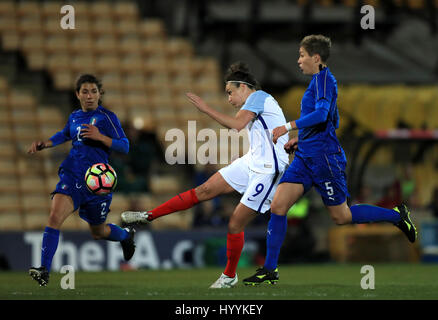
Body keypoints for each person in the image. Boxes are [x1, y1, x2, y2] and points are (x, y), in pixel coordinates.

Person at [242, 35, 417, 285]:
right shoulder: (316, 82)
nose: (298, 60)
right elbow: (328, 121)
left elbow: (322, 113)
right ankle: (270, 269)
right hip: (304, 158)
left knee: (341, 217)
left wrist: (288, 126)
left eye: (302, 55)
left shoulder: (325, 80)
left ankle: (397, 216)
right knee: (278, 206)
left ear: (316, 57)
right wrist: (301, 140)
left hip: (325, 159)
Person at [121, 62, 289, 288]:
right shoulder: (253, 104)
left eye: (230, 92)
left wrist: (205, 108)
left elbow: (237, 126)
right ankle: (148, 216)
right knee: (204, 190)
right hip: (252, 161)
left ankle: (230, 276)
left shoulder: (258, 97)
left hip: (268, 170)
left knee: (235, 223)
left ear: (244, 87)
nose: (229, 99)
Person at [27, 74, 135, 286]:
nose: (89, 96)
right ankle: (44, 270)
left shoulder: (107, 117)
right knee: (54, 217)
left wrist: (100, 137)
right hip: (73, 175)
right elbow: (65, 133)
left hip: (97, 184)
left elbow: (125, 146)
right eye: (84, 92)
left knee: (98, 232)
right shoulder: (75, 116)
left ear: (99, 94)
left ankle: (125, 236)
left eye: (93, 91)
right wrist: (45, 144)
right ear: (77, 94)